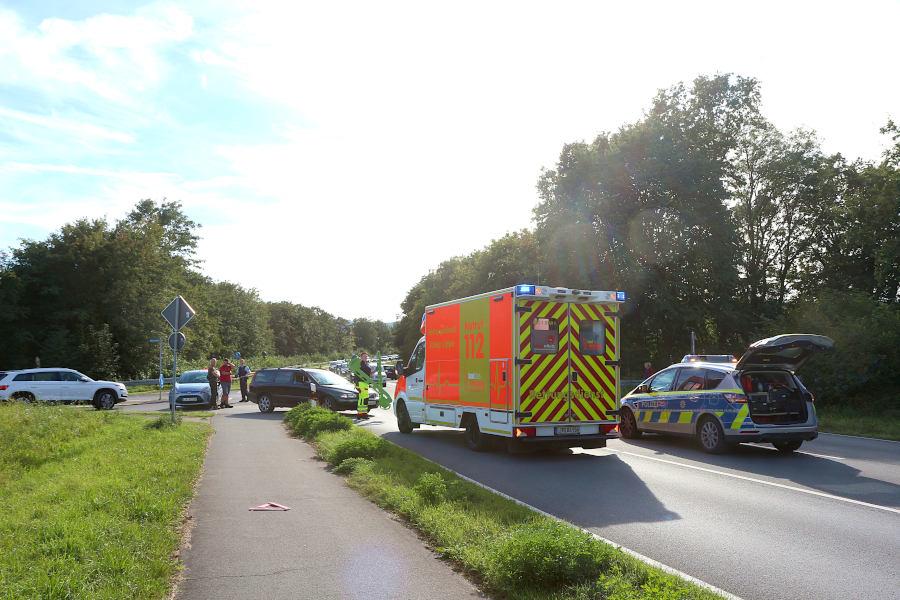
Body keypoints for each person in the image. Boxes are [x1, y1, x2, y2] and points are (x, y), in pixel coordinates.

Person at [357, 352, 373, 418]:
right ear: (361, 357)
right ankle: (360, 414)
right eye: (364, 357)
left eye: (366, 357)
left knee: (365, 399)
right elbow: (357, 375)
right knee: (362, 399)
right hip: (361, 383)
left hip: (365, 384)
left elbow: (368, 374)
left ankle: (363, 413)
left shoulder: (365, 364)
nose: (366, 358)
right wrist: (357, 385)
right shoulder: (360, 365)